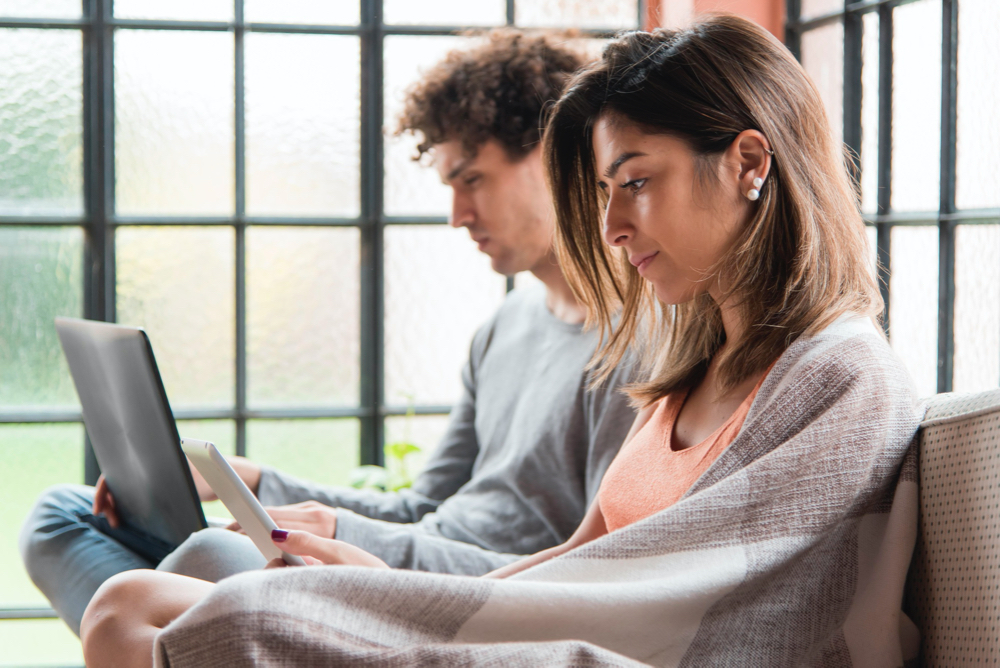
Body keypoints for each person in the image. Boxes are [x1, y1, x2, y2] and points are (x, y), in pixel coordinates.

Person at [80, 16, 924, 667]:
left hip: (603, 653)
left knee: (168, 607)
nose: (612, 227)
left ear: (749, 162)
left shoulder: (840, 373)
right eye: (603, 192)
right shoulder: (684, 379)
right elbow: (585, 556)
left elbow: (712, 606)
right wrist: (402, 588)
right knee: (159, 581)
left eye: (636, 183)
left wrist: (413, 599)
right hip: (549, 627)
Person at [19, 29, 637, 637]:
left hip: (446, 595)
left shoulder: (635, 348)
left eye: (471, 179)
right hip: (401, 555)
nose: (457, 216)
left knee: (201, 565)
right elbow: (419, 511)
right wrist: (250, 481)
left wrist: (342, 534)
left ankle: (194, 630)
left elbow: (577, 578)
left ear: (555, 155)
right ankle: (207, 636)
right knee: (61, 516)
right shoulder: (505, 327)